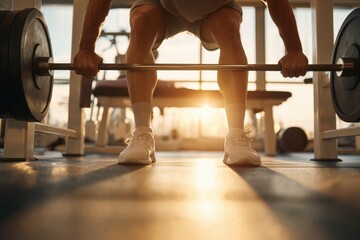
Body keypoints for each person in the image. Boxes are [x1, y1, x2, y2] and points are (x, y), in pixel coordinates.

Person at [74, 0, 308, 166]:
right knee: (141, 21)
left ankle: (236, 136)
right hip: (159, 5)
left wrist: (294, 49)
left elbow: (276, 1)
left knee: (228, 26)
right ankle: (143, 133)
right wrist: (86, 48)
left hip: (214, 8)